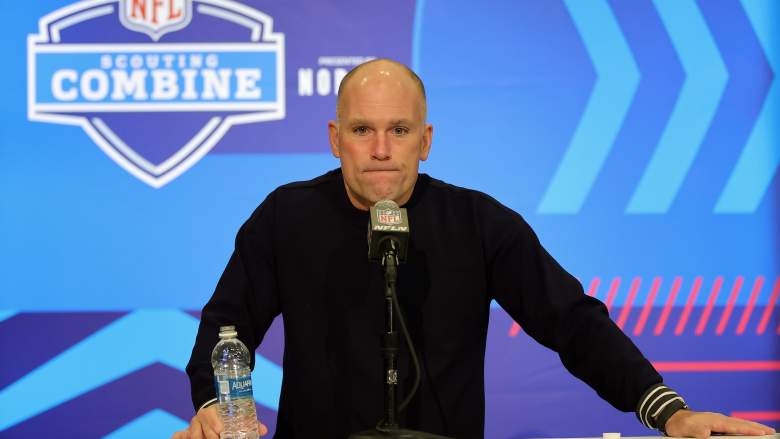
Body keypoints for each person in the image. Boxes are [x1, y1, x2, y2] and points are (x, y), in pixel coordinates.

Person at [172, 59, 776, 439]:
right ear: (336, 139)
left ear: (426, 141)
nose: (381, 148)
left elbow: (572, 322)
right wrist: (213, 412)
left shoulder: (479, 223)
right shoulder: (287, 216)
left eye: (399, 130)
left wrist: (668, 411)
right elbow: (226, 330)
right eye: (362, 130)